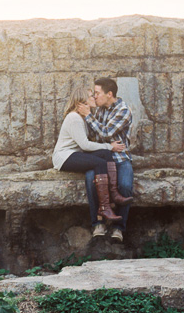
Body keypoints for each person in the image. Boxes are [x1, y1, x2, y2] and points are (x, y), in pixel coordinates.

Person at [52, 87, 130, 226]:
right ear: (82, 101)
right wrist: (109, 146)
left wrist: (107, 149)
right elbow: (85, 145)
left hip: (74, 154)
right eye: (90, 96)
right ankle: (105, 207)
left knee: (105, 155)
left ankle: (114, 194)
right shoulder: (74, 118)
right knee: (100, 163)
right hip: (64, 157)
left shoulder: (83, 117)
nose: (94, 97)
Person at [76, 77, 134, 242]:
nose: (94, 97)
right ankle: (98, 224)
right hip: (100, 156)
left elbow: (107, 133)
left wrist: (88, 116)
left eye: (97, 93)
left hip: (120, 157)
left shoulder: (123, 110)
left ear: (109, 94)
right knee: (90, 179)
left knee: (125, 185)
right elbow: (94, 136)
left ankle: (118, 228)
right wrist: (92, 114)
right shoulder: (99, 110)